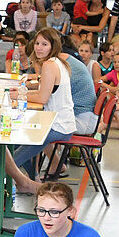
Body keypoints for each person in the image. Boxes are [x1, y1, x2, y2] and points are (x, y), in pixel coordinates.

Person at [12, 29, 77, 178]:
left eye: (44, 44)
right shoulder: (58, 62)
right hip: (60, 123)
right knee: (16, 143)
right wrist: (23, 93)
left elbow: (42, 98)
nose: (39, 47)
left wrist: (21, 95)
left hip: (57, 126)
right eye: (37, 43)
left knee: (12, 158)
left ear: (53, 46)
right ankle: (32, 180)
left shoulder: (50, 65)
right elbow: (44, 91)